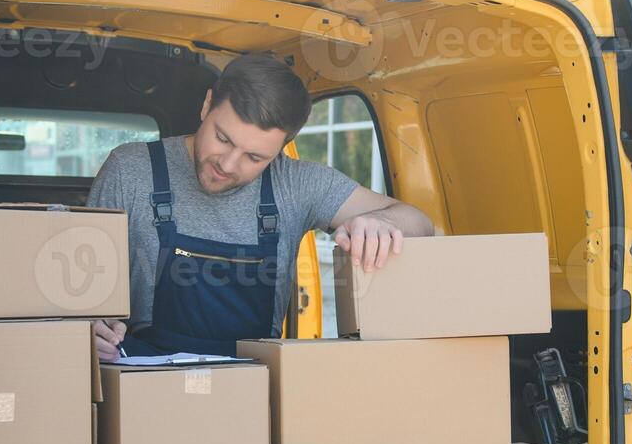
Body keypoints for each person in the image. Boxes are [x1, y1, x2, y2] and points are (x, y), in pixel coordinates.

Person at [87, 52, 433, 361]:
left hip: (254, 393)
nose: (229, 163)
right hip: (140, 389)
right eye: (223, 138)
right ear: (207, 106)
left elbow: (419, 222)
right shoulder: (129, 170)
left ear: (283, 147)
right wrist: (89, 331)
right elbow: (76, 293)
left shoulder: (297, 184)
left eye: (254, 157)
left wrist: (378, 223)